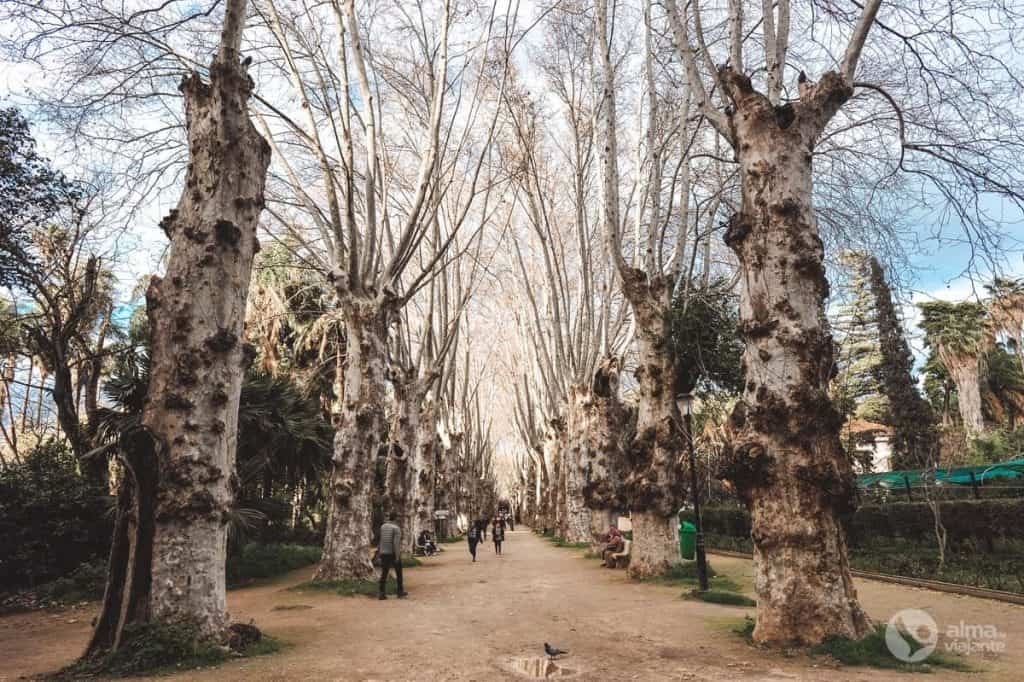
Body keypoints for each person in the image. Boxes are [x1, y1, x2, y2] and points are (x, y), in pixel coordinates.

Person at [377, 513, 407, 600]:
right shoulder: (396, 528)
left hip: (383, 552)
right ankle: (400, 592)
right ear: (396, 519)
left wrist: (379, 552)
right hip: (392, 553)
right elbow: (396, 543)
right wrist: (397, 556)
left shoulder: (383, 527)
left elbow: (381, 540)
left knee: (384, 573)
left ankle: (381, 593)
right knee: (399, 573)